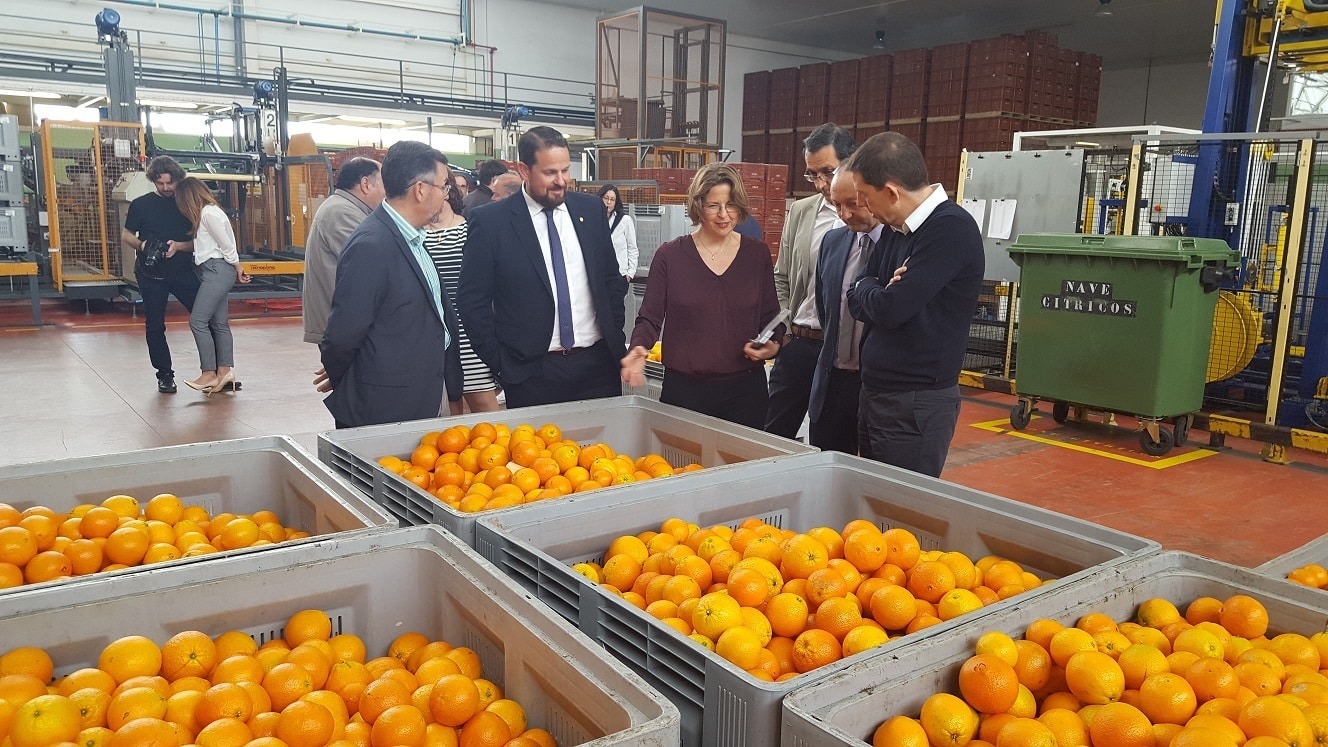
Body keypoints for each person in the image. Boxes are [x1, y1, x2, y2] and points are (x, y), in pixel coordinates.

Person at [844, 132, 984, 477]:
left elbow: (892, 310)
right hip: (877, 395)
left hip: (915, 405)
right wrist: (872, 287)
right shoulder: (896, 228)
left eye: (865, 197)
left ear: (891, 192)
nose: (864, 207)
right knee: (872, 511)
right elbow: (855, 293)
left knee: (900, 517)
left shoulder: (950, 229)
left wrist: (872, 289)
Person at [457, 126, 626, 409]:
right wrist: (501, 361)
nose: (561, 181)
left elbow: (610, 280)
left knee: (603, 451)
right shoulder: (491, 223)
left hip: (597, 367)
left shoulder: (591, 210)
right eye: (550, 173)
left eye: (565, 171)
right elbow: (472, 301)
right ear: (525, 170)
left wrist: (615, 336)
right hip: (531, 373)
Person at [621, 164, 782, 428]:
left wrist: (772, 345)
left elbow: (771, 317)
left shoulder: (757, 255)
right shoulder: (670, 256)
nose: (723, 215)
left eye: (730, 205)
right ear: (698, 206)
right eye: (713, 206)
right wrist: (639, 348)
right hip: (685, 392)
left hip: (745, 392)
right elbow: (649, 318)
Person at [319, 141, 463, 428]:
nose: (447, 196)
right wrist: (359, 382)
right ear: (420, 190)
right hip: (387, 408)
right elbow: (342, 336)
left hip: (422, 394)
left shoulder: (413, 239)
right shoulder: (373, 245)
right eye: (444, 186)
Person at [765, 123, 856, 439]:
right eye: (812, 174)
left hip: (839, 356)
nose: (820, 183)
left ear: (850, 163)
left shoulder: (866, 216)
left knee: (828, 440)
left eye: (827, 172)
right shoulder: (802, 212)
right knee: (772, 435)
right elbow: (782, 276)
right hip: (799, 344)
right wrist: (786, 332)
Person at [808, 171, 882, 453]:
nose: (844, 214)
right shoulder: (833, 242)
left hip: (874, 384)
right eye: (837, 205)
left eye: (852, 204)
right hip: (833, 381)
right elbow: (824, 307)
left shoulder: (896, 245)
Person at [424, 162, 500, 414]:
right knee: (449, 408)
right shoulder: (415, 234)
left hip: (469, 331)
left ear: (447, 193)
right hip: (436, 332)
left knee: (485, 406)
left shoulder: (469, 229)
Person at [121, 155, 201, 394]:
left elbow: (199, 241)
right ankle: (164, 375)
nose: (166, 188)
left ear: (178, 179)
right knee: (155, 325)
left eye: (170, 183)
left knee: (205, 319)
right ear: (153, 181)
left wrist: (179, 246)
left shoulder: (187, 204)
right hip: (150, 273)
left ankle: (218, 370)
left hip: (183, 270)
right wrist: (144, 246)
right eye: (160, 183)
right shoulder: (140, 204)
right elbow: (126, 235)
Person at [173, 178, 253, 394]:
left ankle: (209, 372)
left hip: (217, 269)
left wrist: (237, 268)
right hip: (215, 269)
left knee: (198, 321)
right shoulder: (209, 213)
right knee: (219, 324)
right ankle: (224, 371)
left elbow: (227, 245)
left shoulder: (208, 214)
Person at [302, 157, 384, 344]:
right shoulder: (342, 212)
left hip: (342, 328)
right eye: (384, 183)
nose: (387, 192)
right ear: (365, 184)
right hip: (341, 330)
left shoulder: (345, 208)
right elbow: (370, 267)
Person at [598, 184, 639, 281]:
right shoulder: (594, 219)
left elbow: (632, 249)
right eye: (606, 198)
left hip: (619, 275)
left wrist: (630, 274)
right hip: (598, 275)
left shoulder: (625, 220)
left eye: (612, 199)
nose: (608, 202)